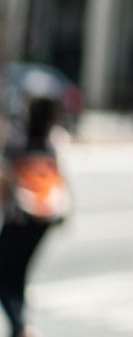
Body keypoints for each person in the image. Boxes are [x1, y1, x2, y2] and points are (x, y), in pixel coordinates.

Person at [1, 70, 71, 337]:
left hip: (20, 217)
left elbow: (5, 181)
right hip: (44, 219)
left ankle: (21, 328)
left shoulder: (17, 142)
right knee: (19, 273)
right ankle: (19, 325)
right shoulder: (53, 141)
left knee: (6, 273)